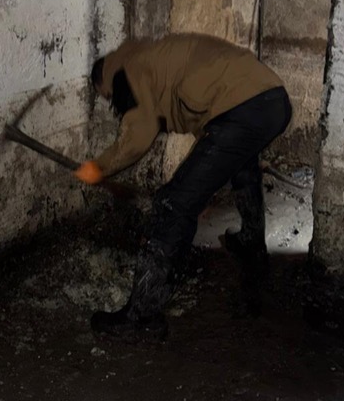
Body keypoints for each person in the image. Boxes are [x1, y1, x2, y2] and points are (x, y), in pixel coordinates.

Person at [74, 33, 292, 333]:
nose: (112, 102)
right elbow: (200, 118)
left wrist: (98, 167)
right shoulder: (152, 56)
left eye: (107, 97)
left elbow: (139, 133)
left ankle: (141, 316)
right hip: (272, 101)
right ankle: (251, 246)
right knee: (242, 167)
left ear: (105, 80)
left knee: (173, 203)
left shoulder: (124, 72)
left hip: (242, 109)